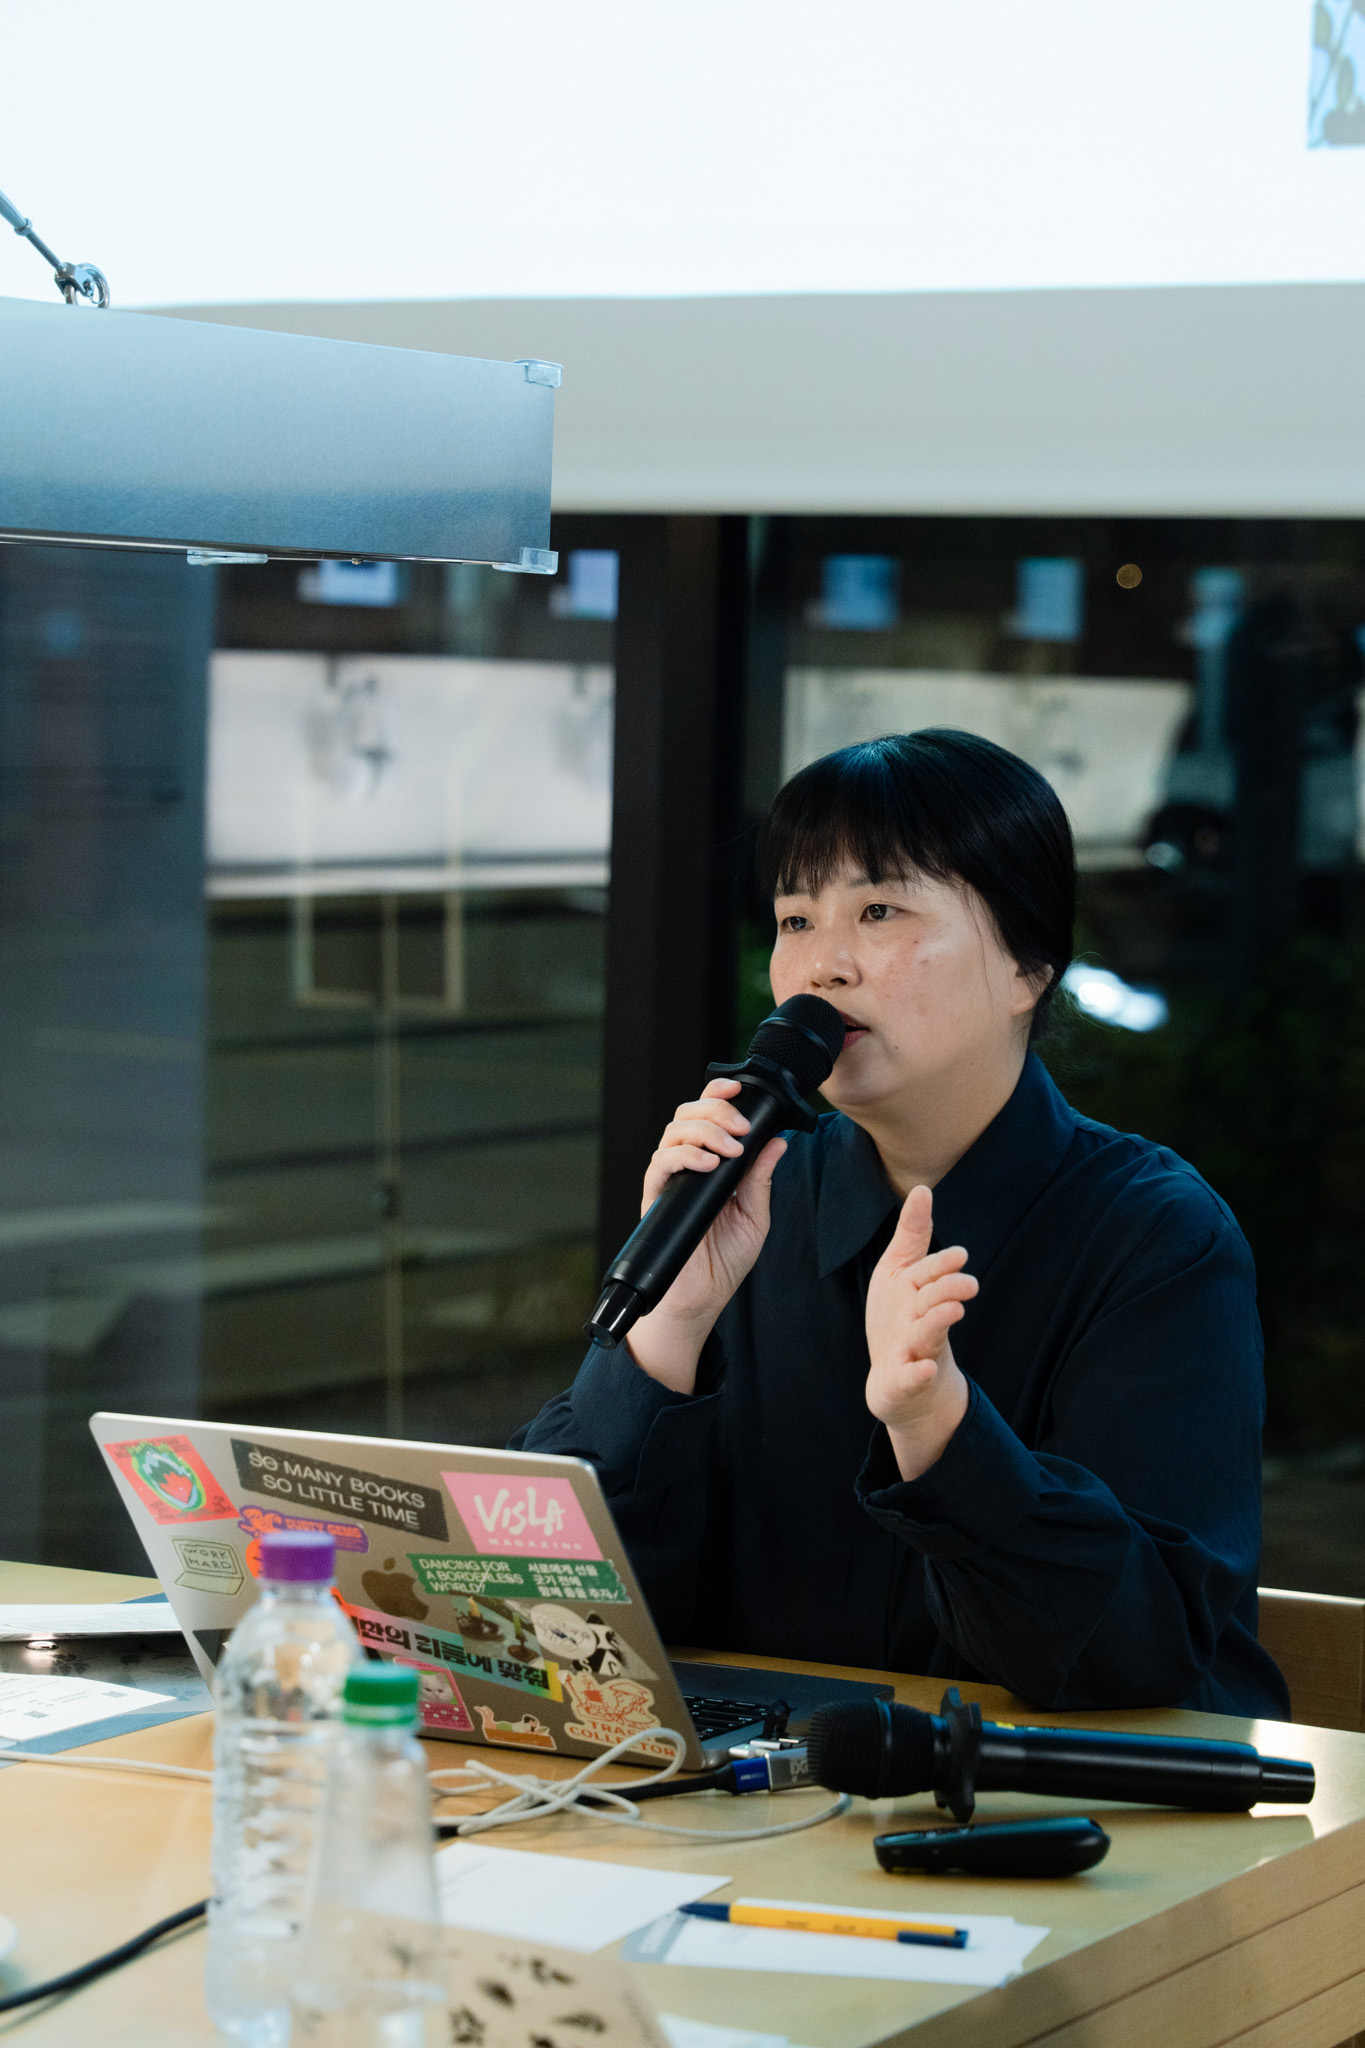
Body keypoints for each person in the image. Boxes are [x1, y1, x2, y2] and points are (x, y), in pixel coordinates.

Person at [513, 730, 1288, 1715]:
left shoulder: (1155, 1236)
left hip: (1055, 1798)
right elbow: (545, 1625)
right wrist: (667, 1329)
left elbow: (1141, 1655)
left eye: (878, 910)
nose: (821, 966)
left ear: (1027, 965)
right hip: (762, 1791)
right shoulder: (751, 1204)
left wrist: (939, 1431)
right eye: (796, 918)